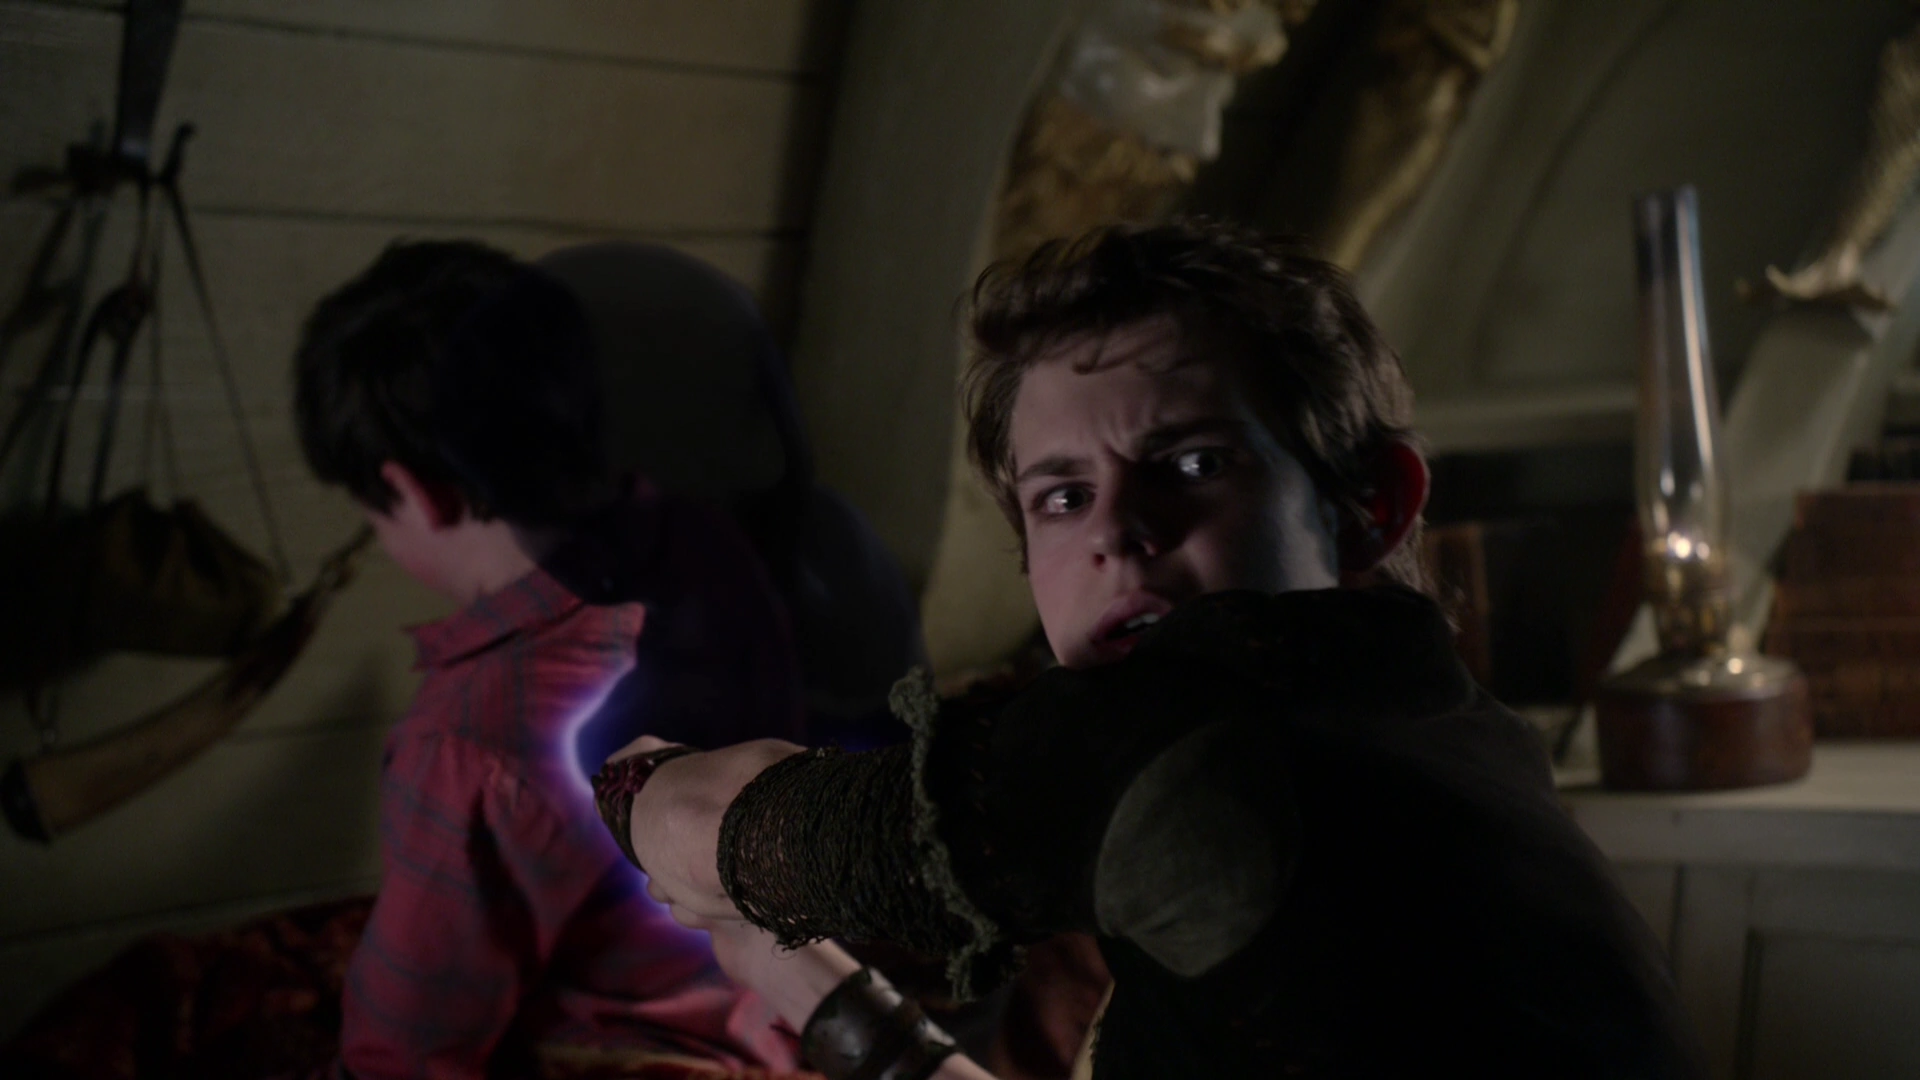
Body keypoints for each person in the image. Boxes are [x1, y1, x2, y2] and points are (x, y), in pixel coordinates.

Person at [594, 219, 1708, 1078]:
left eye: (1193, 466)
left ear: (1372, 504)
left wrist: (635, 790)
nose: (1119, 532)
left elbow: (710, 829)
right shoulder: (1460, 736)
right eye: (1063, 495)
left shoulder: (1189, 723)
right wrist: (826, 1001)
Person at [292, 241, 807, 1078]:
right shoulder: (711, 548)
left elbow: (408, 1050)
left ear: (416, 493)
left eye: (373, 515)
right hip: (776, 1023)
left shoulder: (471, 743)